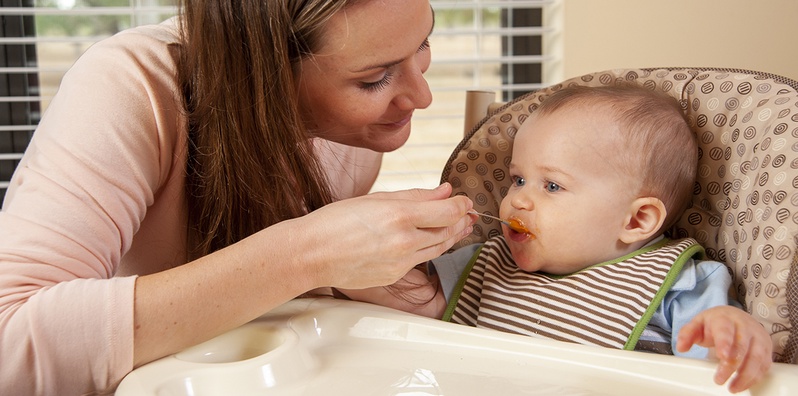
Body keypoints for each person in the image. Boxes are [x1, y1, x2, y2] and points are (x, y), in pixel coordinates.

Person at [0, 1, 478, 394]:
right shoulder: (129, 89)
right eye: (375, 79)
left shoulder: (354, 144)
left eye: (423, 44)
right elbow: (10, 341)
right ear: (264, 73)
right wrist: (306, 253)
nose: (422, 95)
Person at [340, 84, 774, 393]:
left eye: (551, 186)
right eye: (518, 179)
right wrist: (346, 256)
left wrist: (733, 330)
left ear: (637, 220)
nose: (518, 201)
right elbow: (415, 301)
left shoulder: (677, 284)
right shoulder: (485, 265)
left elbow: (712, 361)